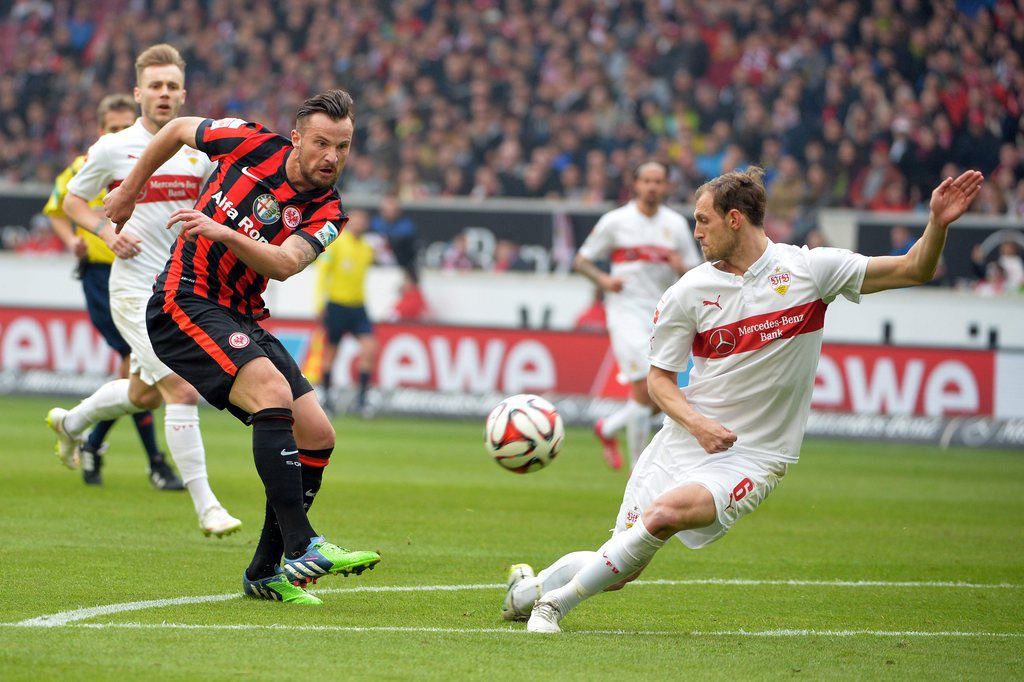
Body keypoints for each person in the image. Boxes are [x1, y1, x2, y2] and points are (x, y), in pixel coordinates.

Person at [501, 167, 984, 633]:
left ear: (735, 219)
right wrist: (698, 425)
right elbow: (659, 383)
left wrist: (936, 224)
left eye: (703, 220)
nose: (695, 232)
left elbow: (913, 268)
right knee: (621, 566)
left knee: (666, 516)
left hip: (753, 455)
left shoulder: (810, 270)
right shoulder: (689, 292)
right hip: (683, 443)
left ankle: (551, 606)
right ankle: (527, 592)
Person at [103, 89, 381, 606]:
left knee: (318, 434)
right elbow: (176, 129)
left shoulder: (328, 211)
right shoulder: (249, 141)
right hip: (181, 299)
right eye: (322, 143)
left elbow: (283, 263)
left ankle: (264, 571)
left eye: (342, 147)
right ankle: (302, 545)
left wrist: (222, 232)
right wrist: (129, 192)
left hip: (242, 314)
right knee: (272, 393)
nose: (331, 158)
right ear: (296, 138)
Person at [46, 44, 241, 536]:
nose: (163, 93)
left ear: (183, 94)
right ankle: (207, 508)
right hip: (134, 290)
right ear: (138, 93)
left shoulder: (199, 150)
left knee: (144, 395)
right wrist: (107, 233)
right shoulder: (113, 148)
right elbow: (71, 201)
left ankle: (71, 424)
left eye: (172, 86)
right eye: (155, 85)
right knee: (180, 388)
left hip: (179, 288)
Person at [43, 93, 170, 486]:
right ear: (100, 132)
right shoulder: (86, 166)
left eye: (123, 126)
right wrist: (71, 241)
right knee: (141, 365)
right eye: (111, 128)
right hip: (102, 275)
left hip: (141, 271)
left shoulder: (144, 162)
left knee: (138, 372)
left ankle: (90, 440)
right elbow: (58, 207)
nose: (118, 133)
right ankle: (154, 463)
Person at [573, 161, 701, 470]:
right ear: (636, 184)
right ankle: (638, 472)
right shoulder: (616, 222)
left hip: (663, 315)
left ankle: (608, 427)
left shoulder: (675, 225)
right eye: (647, 181)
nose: (653, 187)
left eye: (658, 181)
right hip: (625, 312)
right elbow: (581, 261)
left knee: (659, 397)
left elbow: (697, 270)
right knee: (646, 387)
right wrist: (604, 281)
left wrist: (679, 267)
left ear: (666, 186)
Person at [316, 208, 377, 416]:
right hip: (336, 304)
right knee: (332, 352)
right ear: (350, 222)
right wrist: (319, 303)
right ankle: (326, 397)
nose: (359, 224)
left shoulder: (367, 249)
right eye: (356, 220)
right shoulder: (337, 244)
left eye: (363, 220)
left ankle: (361, 400)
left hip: (358, 306)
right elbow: (323, 272)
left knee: (369, 348)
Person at [372, 192, 419, 283]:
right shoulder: (374, 223)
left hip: (400, 267)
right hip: (377, 269)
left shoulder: (406, 225)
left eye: (393, 210)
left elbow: (405, 245)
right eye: (386, 210)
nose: (389, 212)